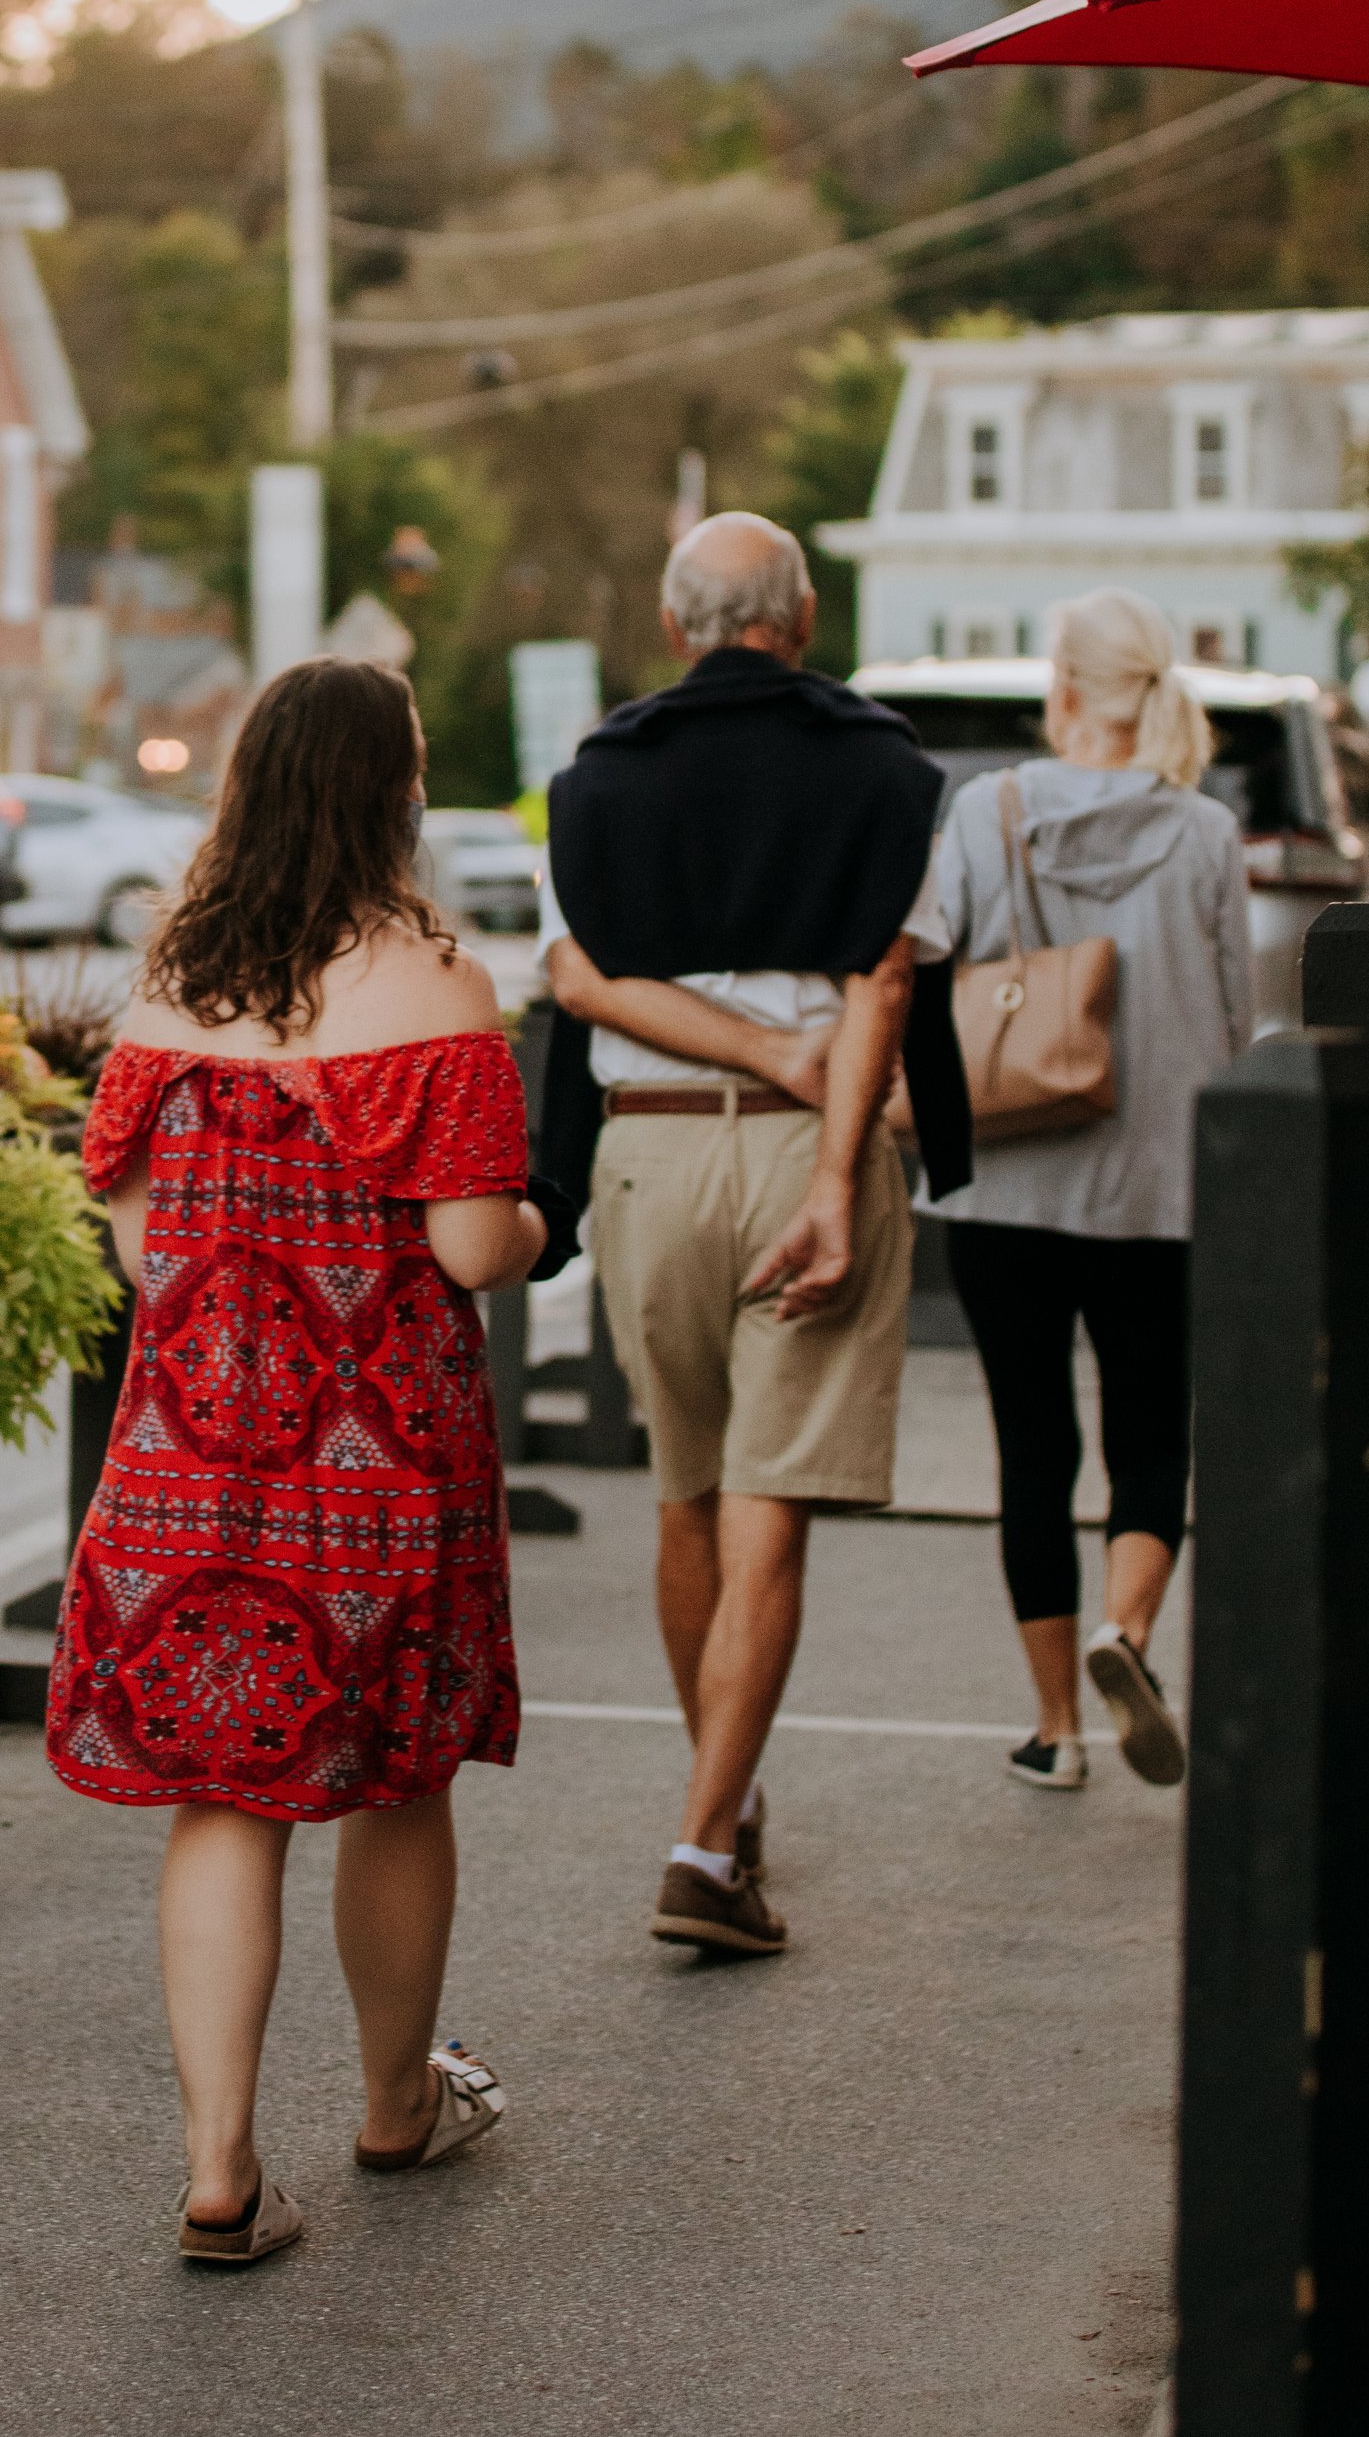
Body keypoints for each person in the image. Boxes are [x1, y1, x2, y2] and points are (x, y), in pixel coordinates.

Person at [46, 658, 547, 2267]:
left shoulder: (165, 999)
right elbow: (471, 1250)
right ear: (393, 794)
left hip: (191, 1470)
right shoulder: (434, 990)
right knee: (394, 1791)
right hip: (379, 1471)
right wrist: (536, 1222)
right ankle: (397, 2106)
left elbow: (137, 1249)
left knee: (223, 1803)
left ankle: (218, 2173)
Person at [537, 513, 970, 1959]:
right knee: (768, 1505)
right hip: (806, 1150)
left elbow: (578, 976)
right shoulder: (886, 772)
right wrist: (833, 1168)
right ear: (801, 619)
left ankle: (720, 1801)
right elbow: (884, 990)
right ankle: (707, 1840)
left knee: (686, 1494)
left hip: (645, 1156)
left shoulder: (596, 779)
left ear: (679, 627)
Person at [927, 589, 1252, 1793]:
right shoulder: (1207, 832)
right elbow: (1230, 1023)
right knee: (1150, 1433)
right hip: (1157, 1189)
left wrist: (926, 1144)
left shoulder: (986, 809)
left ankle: (1054, 1726)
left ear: (1063, 688)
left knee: (1030, 1444)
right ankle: (1130, 1632)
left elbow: (925, 967)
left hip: (1004, 1179)